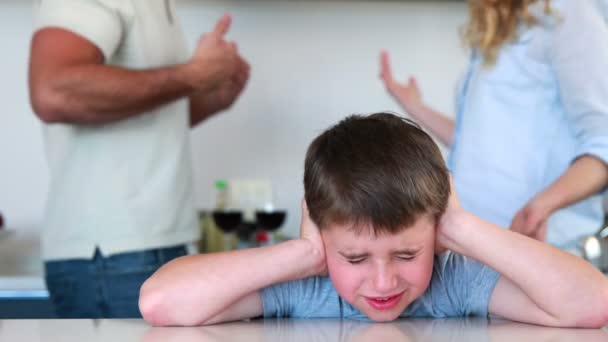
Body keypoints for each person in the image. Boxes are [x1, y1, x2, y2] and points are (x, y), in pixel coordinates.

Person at [139, 113, 608, 327]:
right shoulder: (306, 281)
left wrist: (461, 227)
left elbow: (592, 304)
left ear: (437, 230)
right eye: (356, 256)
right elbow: (161, 303)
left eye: (407, 253)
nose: (383, 280)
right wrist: (303, 253)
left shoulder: (454, 281)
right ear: (321, 234)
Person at [28, 0, 250, 318]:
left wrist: (212, 97)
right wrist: (192, 75)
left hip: (144, 251)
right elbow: (53, 91)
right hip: (114, 256)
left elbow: (143, 117)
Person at [380, 0, 608, 251]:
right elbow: (479, 144)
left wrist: (542, 205)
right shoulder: (504, 25)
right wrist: (416, 107)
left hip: (535, 247)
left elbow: (603, 142)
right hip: (479, 241)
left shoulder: (568, 13)